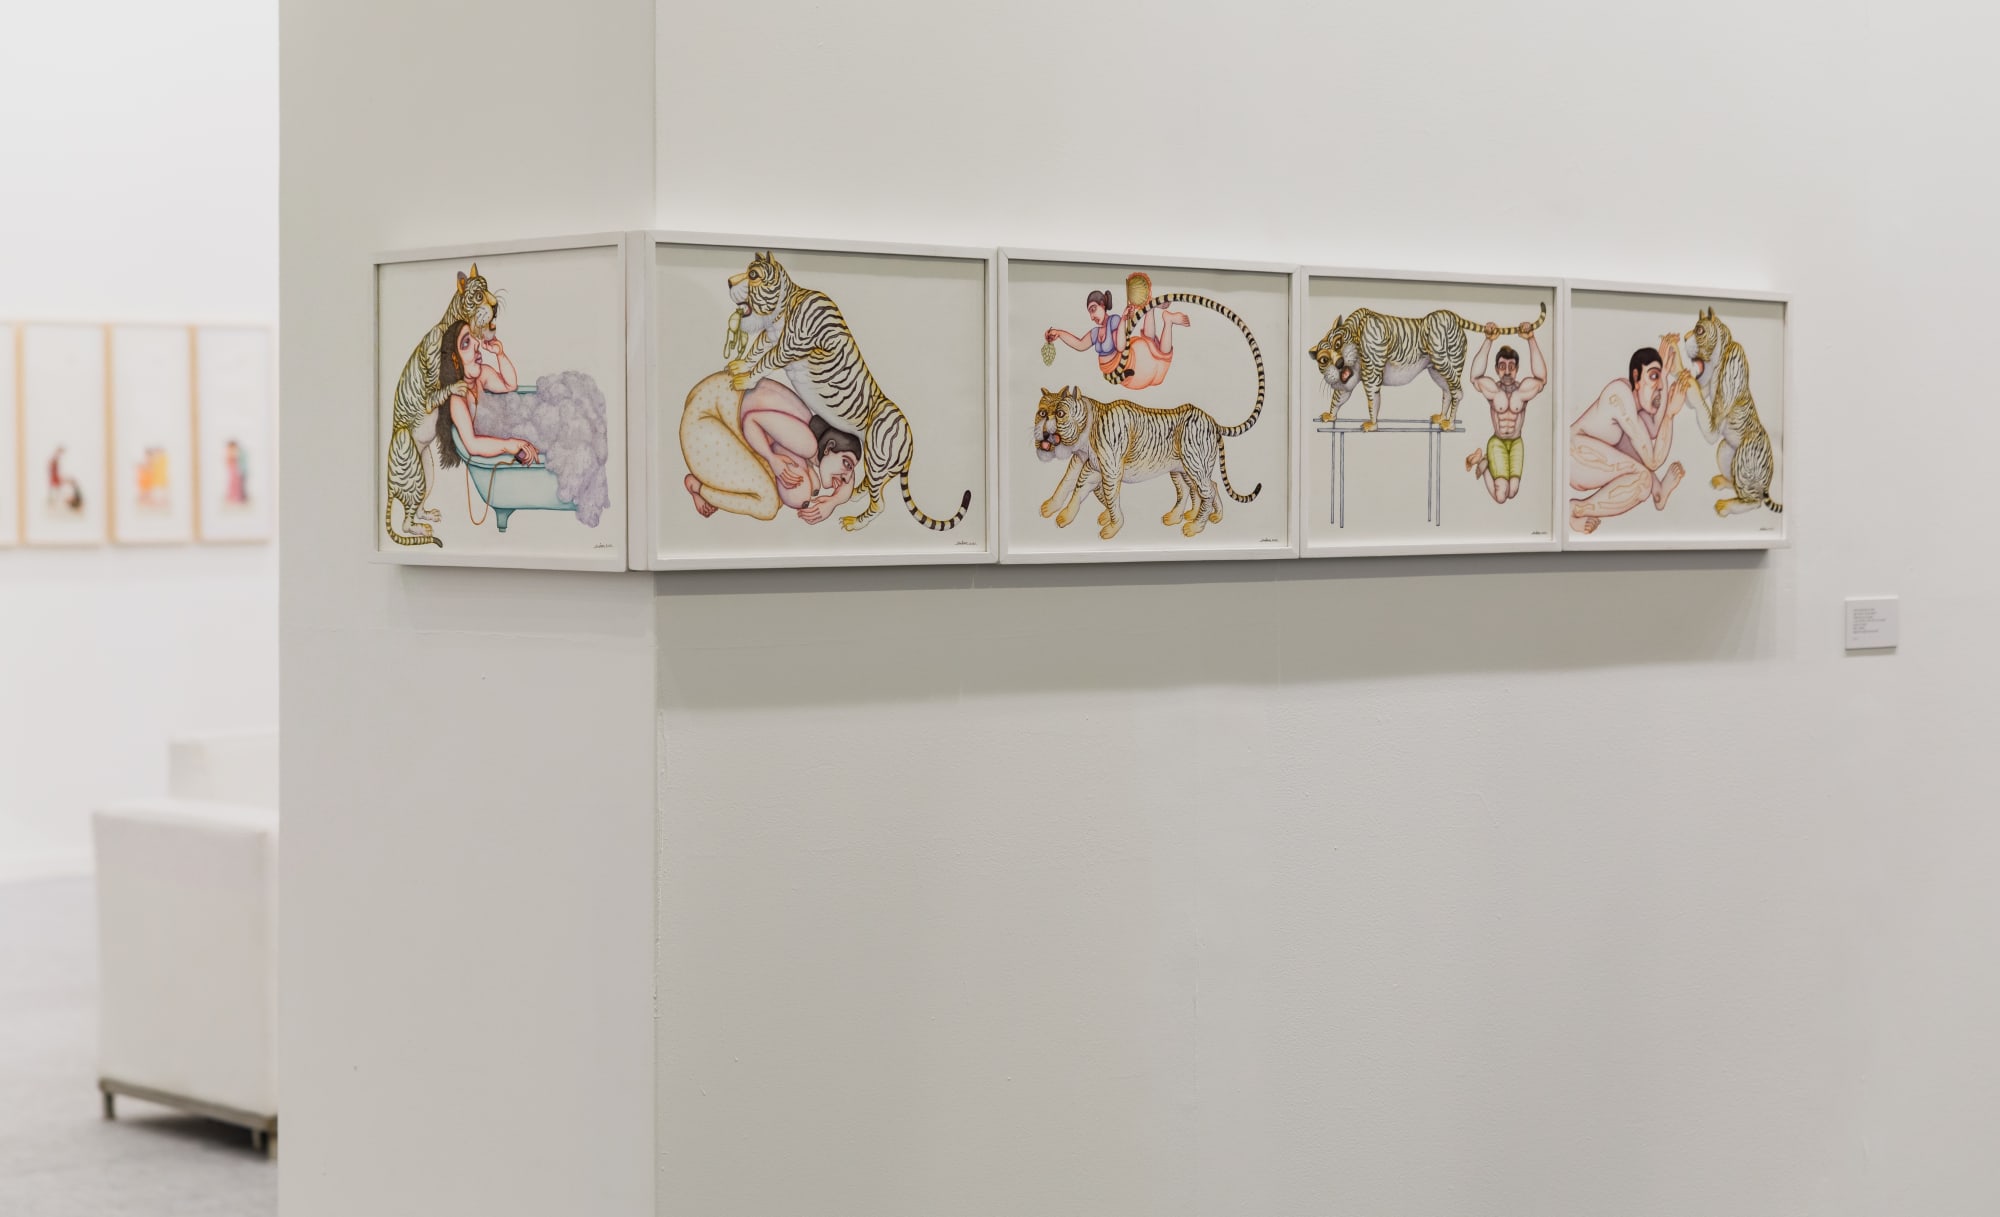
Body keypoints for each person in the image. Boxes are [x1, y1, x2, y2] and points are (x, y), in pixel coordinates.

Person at [681, 372, 861, 523]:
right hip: (705, 423)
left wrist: (833, 502)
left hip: (719, 405)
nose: (846, 477)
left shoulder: (813, 437)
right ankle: (698, 487)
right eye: (847, 464)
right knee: (767, 505)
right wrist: (771, 458)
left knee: (782, 484)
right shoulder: (807, 443)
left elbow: (849, 480)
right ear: (829, 448)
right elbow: (751, 421)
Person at [1568, 336, 1691, 533]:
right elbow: (1653, 461)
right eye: (1653, 376)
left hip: (1591, 460)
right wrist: (1669, 414)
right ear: (1636, 377)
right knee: (1643, 479)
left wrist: (1665, 377)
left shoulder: (1636, 407)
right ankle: (1575, 510)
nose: (1660, 386)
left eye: (1660, 380)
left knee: (1639, 447)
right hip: (1573, 457)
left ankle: (1658, 492)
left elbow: (1654, 430)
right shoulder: (1620, 395)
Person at [1044, 273, 1189, 390]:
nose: (1092, 316)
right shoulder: (1095, 332)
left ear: (1102, 305)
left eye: (1093, 309)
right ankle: (1153, 309)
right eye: (1090, 313)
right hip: (1118, 372)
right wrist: (1059, 333)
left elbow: (1120, 346)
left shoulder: (1113, 321)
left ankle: (1168, 321)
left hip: (1128, 363)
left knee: (1159, 357)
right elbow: (1080, 344)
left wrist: (1123, 320)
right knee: (1150, 344)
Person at [435, 319, 537, 469]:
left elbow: (510, 385)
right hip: (493, 443)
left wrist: (500, 354)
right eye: (466, 343)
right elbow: (472, 445)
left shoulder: (482, 375)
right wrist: (508, 445)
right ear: (455, 360)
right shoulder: (457, 399)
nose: (476, 344)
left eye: (474, 338)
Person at [1465, 324, 1547, 503]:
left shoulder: (1523, 390)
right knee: (1501, 496)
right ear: (1496, 369)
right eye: (1502, 366)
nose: (1507, 371)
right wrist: (1488, 340)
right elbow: (1474, 378)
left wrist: (1531, 338)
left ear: (1517, 368)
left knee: (1513, 492)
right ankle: (1482, 463)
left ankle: (1484, 462)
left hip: (1517, 443)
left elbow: (1541, 379)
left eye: (1511, 366)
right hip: (1497, 442)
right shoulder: (1493, 390)